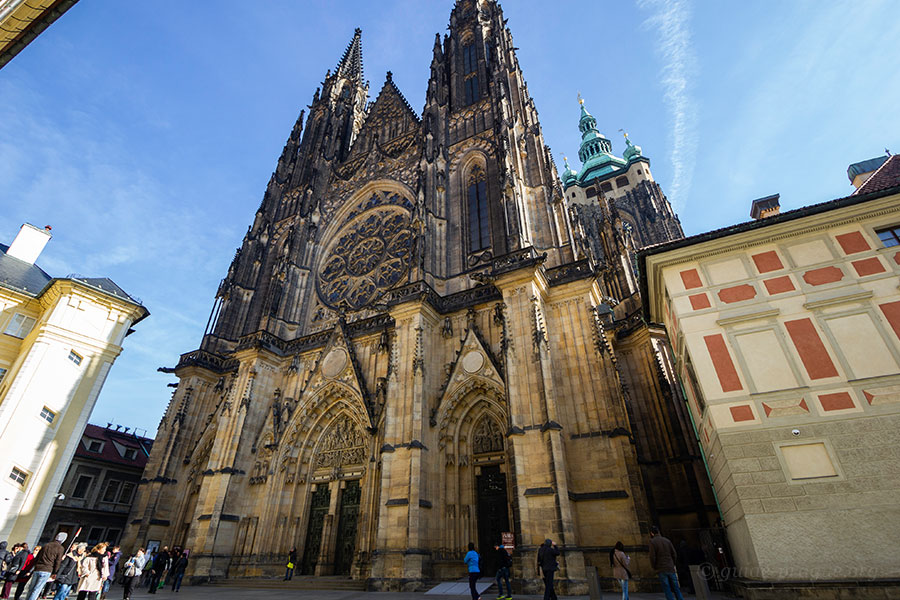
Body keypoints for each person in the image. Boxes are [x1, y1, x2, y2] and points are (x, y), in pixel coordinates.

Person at [24, 534, 66, 600]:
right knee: (37, 589)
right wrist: (55, 572)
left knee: (31, 588)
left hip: (38, 568)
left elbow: (37, 557)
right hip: (47, 569)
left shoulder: (46, 545)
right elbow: (57, 562)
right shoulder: (60, 548)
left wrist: (34, 566)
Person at [649, 526, 684, 600]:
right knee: (676, 588)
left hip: (661, 568)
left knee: (667, 588)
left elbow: (652, 557)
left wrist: (654, 566)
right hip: (670, 567)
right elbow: (674, 553)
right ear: (659, 532)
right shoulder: (667, 540)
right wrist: (672, 563)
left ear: (652, 533)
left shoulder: (653, 542)